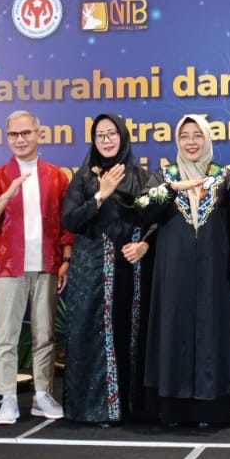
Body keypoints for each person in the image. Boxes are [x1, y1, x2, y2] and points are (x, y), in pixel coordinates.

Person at [135, 114, 230, 427]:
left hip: (215, 275)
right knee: (173, 332)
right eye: (184, 136)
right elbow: (142, 210)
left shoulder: (224, 177)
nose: (191, 142)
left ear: (208, 138)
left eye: (198, 135)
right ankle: (173, 409)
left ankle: (210, 410)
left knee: (213, 333)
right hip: (173, 275)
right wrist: (173, 189)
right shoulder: (164, 176)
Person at [0, 111, 73, 425]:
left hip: (47, 265)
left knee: (45, 335)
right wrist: (7, 195)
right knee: (6, 336)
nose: (21, 139)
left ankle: (43, 394)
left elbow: (67, 224)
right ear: (7, 138)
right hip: (7, 267)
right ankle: (8, 398)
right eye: (14, 134)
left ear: (39, 134)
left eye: (26, 132)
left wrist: (67, 259)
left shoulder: (56, 176)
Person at [60, 113, 150, 425]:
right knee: (93, 333)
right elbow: (70, 220)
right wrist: (100, 195)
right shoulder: (84, 177)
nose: (107, 140)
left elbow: (156, 220)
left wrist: (144, 245)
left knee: (132, 330)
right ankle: (95, 408)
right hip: (93, 270)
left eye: (112, 133)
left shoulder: (141, 176)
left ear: (123, 137)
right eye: (100, 135)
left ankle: (134, 407)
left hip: (132, 270)